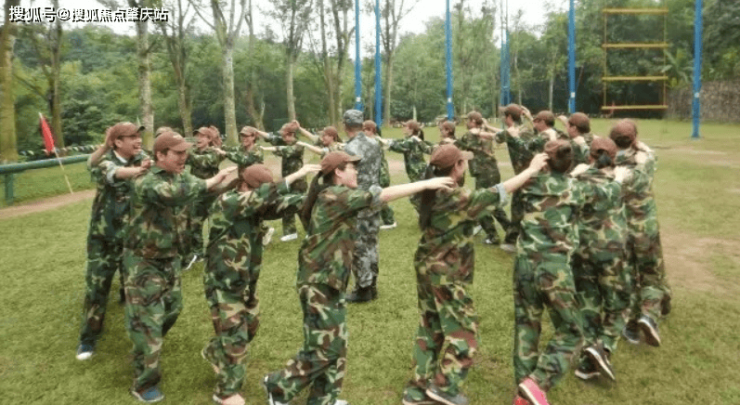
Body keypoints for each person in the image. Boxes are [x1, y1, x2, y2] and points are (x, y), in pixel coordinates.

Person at [263, 151, 454, 405]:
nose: (356, 171)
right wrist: (426, 183)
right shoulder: (336, 195)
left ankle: (323, 399)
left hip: (329, 280)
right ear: (338, 172)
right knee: (325, 346)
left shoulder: (332, 194)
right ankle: (277, 386)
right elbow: (381, 195)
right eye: (352, 167)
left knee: (336, 342)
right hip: (319, 281)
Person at [404, 145, 548, 405]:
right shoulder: (457, 197)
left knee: (430, 326)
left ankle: (416, 390)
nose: (466, 165)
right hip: (445, 273)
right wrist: (531, 169)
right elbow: (499, 191)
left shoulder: (430, 191)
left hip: (426, 267)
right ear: (457, 167)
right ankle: (445, 387)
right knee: (464, 331)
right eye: (464, 162)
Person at [122, 131, 236, 403]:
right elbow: (175, 195)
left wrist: (237, 182)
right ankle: (144, 383)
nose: (184, 157)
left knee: (173, 308)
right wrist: (212, 180)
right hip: (144, 262)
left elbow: (203, 190)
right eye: (178, 153)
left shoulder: (182, 176)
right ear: (160, 155)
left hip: (171, 258)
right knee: (150, 321)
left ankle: (142, 345)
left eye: (186, 152)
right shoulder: (145, 181)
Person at [203, 163, 320, 405]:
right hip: (223, 282)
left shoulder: (255, 203)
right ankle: (226, 392)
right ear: (245, 185)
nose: (265, 196)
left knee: (250, 326)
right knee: (235, 337)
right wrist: (297, 175)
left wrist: (319, 193)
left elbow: (285, 203)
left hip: (245, 282)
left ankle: (215, 351)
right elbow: (264, 197)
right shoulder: (228, 202)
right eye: (261, 189)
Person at [512, 140, 585, 405]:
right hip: (554, 267)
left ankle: (523, 395)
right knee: (573, 330)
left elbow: (517, 210)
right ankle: (537, 382)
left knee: (526, 325)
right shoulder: (576, 188)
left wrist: (535, 171)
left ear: (543, 160)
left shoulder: (527, 184)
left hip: (525, 263)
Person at [76, 122, 150, 361]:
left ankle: (141, 338)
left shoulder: (143, 158)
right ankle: (88, 338)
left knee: (137, 286)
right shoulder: (104, 161)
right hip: (104, 238)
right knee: (97, 288)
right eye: (132, 137)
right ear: (118, 142)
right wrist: (139, 171)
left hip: (132, 238)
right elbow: (113, 173)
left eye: (139, 136)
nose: (138, 140)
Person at [569, 138, 631, 382]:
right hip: (610, 250)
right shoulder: (621, 180)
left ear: (589, 157)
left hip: (582, 249)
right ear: (614, 158)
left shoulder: (577, 180)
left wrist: (576, 173)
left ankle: (589, 362)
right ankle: (603, 346)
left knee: (588, 303)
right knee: (620, 302)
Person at [610, 120, 671, 347]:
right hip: (646, 227)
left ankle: (631, 326)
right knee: (651, 273)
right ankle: (648, 315)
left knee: (628, 275)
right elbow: (650, 153)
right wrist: (639, 145)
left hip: (621, 227)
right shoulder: (645, 161)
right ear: (634, 139)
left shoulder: (609, 163)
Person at [341, 109, 384, 303]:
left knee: (358, 246)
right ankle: (372, 284)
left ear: (345, 125)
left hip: (357, 201)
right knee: (372, 243)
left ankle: (363, 288)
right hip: (374, 197)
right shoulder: (374, 143)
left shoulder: (349, 148)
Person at [455, 111, 510, 246]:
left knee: (481, 204)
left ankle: (493, 235)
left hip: (484, 173)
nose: (466, 123)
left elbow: (457, 146)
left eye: (468, 120)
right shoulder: (484, 131)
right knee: (494, 202)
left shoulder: (470, 134)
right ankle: (511, 231)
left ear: (473, 121)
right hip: (493, 171)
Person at [493, 104, 536, 252]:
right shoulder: (528, 130)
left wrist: (482, 129)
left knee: (517, 208)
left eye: (504, 116)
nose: (503, 119)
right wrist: (529, 118)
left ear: (509, 117)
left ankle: (511, 241)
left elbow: (497, 138)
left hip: (522, 178)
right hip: (535, 174)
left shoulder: (510, 133)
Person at [256, 123, 306, 242]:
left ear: (291, 134)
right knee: (287, 205)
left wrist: (265, 149)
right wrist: (256, 131)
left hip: (298, 182)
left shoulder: (299, 145)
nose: (282, 138)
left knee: (302, 207)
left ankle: (310, 230)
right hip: (287, 180)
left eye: (284, 136)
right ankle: (290, 232)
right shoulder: (285, 141)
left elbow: (284, 150)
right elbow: (271, 137)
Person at [185, 126, 227, 268]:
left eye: (202, 136)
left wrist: (187, 153)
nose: (198, 139)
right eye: (197, 136)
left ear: (209, 139)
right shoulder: (193, 152)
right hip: (198, 194)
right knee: (195, 223)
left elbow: (204, 162)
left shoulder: (214, 152)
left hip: (213, 194)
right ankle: (198, 253)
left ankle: (217, 252)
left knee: (215, 224)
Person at [363, 119, 397, 230]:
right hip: (375, 174)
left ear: (371, 130)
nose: (363, 132)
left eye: (365, 130)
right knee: (374, 197)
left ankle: (390, 221)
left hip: (380, 174)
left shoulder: (375, 141)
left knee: (381, 198)